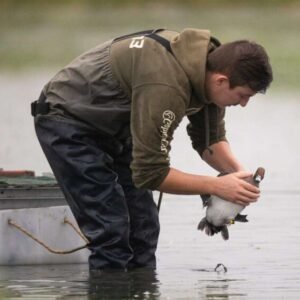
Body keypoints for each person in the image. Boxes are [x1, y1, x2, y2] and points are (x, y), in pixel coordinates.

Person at [31, 28, 273, 271]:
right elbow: (150, 174)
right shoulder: (166, 85)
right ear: (222, 80)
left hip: (117, 128)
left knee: (144, 229)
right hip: (68, 121)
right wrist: (217, 186)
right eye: (243, 96)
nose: (243, 104)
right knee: (111, 233)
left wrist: (240, 177)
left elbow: (209, 141)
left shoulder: (209, 73)